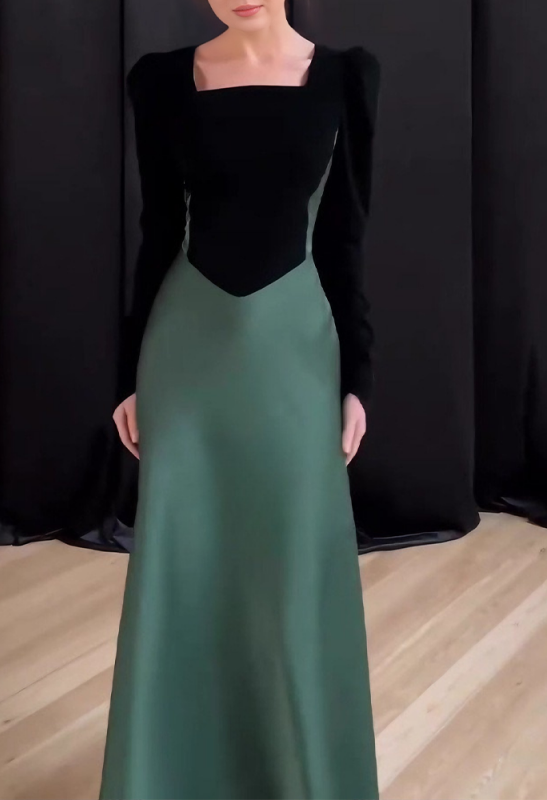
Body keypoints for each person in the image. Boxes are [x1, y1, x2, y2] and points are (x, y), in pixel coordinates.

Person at [100, 1, 381, 797]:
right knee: (186, 575)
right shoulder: (160, 80)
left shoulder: (346, 78)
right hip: (186, 358)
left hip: (296, 356)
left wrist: (357, 380)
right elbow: (158, 230)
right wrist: (129, 375)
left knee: (290, 576)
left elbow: (345, 238)